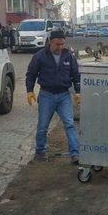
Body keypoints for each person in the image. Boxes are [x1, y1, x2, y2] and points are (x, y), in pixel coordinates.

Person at [25, 28, 81, 164]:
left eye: (62, 44)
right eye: (57, 44)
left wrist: (78, 91)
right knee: (43, 126)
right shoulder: (39, 56)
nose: (60, 47)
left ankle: (75, 154)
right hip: (46, 96)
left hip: (64, 96)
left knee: (69, 124)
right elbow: (31, 74)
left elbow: (76, 75)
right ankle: (40, 153)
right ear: (50, 42)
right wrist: (29, 90)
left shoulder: (69, 56)